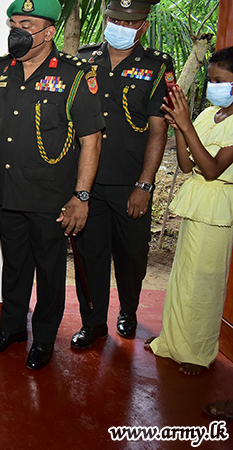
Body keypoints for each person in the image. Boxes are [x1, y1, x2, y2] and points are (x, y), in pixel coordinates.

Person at [0, 0, 104, 370]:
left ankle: (44, 338)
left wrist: (81, 196)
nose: (17, 31)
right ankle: (12, 328)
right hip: (7, 190)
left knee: (49, 271)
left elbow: (92, 140)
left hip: (51, 197)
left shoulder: (75, 75)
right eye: (13, 23)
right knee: (14, 266)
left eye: (26, 24)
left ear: (49, 32)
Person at [70, 0, 173, 348]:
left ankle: (128, 311)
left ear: (144, 25)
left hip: (131, 183)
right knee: (89, 257)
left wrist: (145, 184)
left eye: (130, 23)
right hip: (88, 183)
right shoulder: (84, 59)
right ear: (105, 18)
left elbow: (158, 130)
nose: (121, 28)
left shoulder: (157, 66)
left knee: (131, 256)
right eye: (115, 20)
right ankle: (93, 322)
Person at [147, 47, 233, 376]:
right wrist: (178, 128)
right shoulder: (208, 114)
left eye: (220, 81)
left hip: (217, 205)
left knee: (205, 283)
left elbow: (211, 169)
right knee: (183, 278)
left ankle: (198, 352)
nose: (213, 87)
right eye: (211, 80)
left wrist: (186, 126)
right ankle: (173, 341)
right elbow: (186, 165)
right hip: (197, 199)